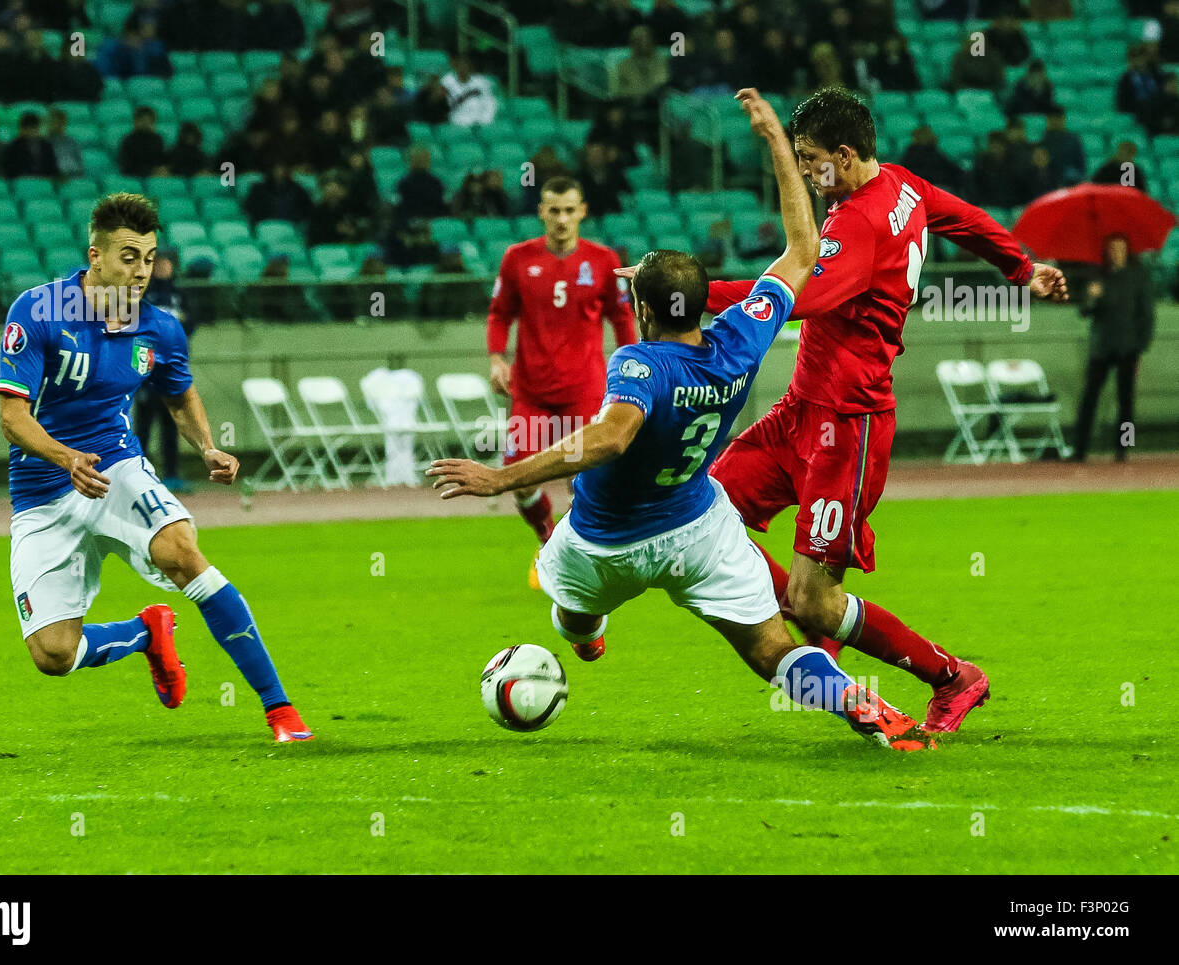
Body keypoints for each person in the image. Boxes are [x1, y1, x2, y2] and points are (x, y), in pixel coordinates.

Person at [429, 90, 933, 752]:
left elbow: (610, 437)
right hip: (701, 531)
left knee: (571, 619)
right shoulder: (741, 338)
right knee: (769, 647)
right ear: (702, 303)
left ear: (641, 308)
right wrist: (778, 145)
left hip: (604, 544)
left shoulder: (640, 364)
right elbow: (804, 250)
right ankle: (855, 699)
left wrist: (499, 479)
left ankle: (591, 640)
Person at [631, 86, 1069, 733]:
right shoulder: (903, 188)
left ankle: (952, 675)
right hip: (801, 410)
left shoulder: (861, 222)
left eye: (811, 160)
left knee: (815, 598)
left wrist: (685, 299)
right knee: (707, 514)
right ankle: (819, 627)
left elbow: (797, 295)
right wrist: (1021, 267)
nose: (807, 172)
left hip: (849, 424)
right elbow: (965, 218)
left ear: (843, 153)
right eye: (800, 158)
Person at [0, 192, 313, 743]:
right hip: (42, 489)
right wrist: (66, 457)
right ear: (95, 256)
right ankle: (146, 634)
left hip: (117, 468)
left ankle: (280, 712)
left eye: (148, 257)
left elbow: (179, 396)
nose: (141, 271)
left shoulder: (160, 328)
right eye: (128, 257)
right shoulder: (37, 311)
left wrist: (206, 446)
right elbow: (12, 416)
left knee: (183, 552)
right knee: (53, 655)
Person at [486, 176, 637, 588]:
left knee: (586, 482)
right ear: (541, 212)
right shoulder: (517, 258)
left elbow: (622, 318)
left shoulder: (605, 261)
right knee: (518, 477)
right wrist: (497, 359)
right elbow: (500, 313)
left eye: (570, 210)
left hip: (585, 391)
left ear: (583, 212)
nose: (562, 219)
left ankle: (578, 557)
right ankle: (547, 539)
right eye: (554, 210)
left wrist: (635, 367)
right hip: (530, 392)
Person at [1072, 235, 1155, 462]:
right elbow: (1084, 312)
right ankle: (1080, 448)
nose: (1116, 253)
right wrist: (1091, 297)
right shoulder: (1098, 276)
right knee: (1089, 398)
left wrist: (1140, 347)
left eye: (1120, 248)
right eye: (1112, 248)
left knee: (1126, 401)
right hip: (1101, 347)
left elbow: (1146, 316)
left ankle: (1123, 448)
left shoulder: (1138, 276)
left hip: (1128, 348)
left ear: (1127, 251)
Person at [135, 247, 193, 492]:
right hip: (145, 368)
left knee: (172, 423)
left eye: (165, 264)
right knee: (143, 426)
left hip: (170, 368)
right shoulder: (142, 294)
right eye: (157, 264)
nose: (161, 268)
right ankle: (138, 473)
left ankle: (172, 473)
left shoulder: (180, 294)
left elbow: (191, 322)